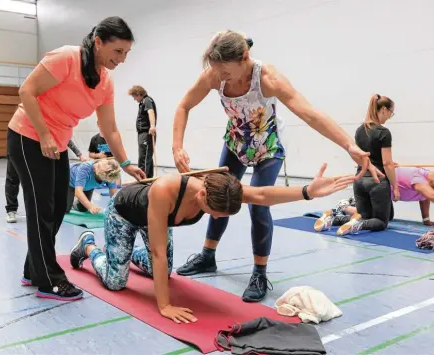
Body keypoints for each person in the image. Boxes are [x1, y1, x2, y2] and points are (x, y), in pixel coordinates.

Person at [172, 30, 383, 302]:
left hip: (267, 147)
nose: (220, 77)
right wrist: (177, 146)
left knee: (259, 206)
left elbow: (310, 113)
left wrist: (348, 145)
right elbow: (184, 105)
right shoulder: (214, 74)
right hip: (235, 144)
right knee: (216, 196)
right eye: (217, 71)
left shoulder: (268, 79)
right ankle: (207, 255)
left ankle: (260, 272)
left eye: (225, 72)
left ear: (244, 57)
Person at [69, 164, 354, 324]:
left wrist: (308, 192)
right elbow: (157, 251)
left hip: (155, 222)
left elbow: (263, 194)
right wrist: (164, 305)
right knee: (117, 281)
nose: (217, 217)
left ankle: (126, 253)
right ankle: (90, 246)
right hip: (125, 213)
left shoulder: (223, 191)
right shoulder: (166, 190)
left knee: (163, 272)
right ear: (202, 196)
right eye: (215, 213)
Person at [7, 16, 146, 302]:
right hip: (29, 136)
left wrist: (125, 163)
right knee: (40, 209)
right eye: (117, 51)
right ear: (98, 42)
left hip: (54, 143)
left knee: (58, 207)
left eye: (126, 53)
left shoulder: (104, 82)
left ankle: (33, 269)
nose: (121, 59)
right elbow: (27, 92)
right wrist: (44, 134)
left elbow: (109, 128)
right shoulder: (66, 58)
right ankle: (48, 281)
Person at [316, 94, 397, 236]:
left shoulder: (360, 131)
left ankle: (332, 218)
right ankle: (358, 225)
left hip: (359, 181)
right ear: (383, 109)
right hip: (377, 181)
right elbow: (386, 163)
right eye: (391, 112)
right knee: (381, 222)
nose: (390, 116)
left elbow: (359, 155)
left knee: (363, 215)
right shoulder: (383, 132)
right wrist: (395, 186)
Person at [316, 167, 434, 232]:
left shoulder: (426, 178)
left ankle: (340, 212)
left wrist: (426, 219)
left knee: (387, 216)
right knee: (378, 220)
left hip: (378, 189)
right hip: (376, 188)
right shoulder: (420, 181)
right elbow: (431, 196)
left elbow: (424, 198)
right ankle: (343, 209)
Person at [6, 139, 88, 223]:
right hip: (19, 145)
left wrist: (79, 154)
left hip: (37, 152)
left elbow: (66, 139)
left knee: (34, 182)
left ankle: (38, 211)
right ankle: (11, 210)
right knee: (13, 178)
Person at [128, 85, 157, 178]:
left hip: (146, 133)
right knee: (147, 157)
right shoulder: (142, 102)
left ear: (138, 94)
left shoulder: (147, 100)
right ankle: (148, 179)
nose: (134, 99)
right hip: (142, 133)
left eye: (134, 96)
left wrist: (152, 126)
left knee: (143, 157)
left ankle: (142, 179)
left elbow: (150, 112)